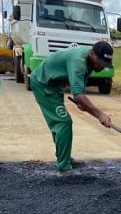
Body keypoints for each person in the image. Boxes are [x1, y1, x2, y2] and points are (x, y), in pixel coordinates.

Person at [29, 42, 114, 174]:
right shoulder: (78, 61)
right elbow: (79, 95)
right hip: (43, 83)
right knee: (63, 122)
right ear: (92, 53)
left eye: (104, 65)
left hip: (56, 84)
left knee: (61, 122)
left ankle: (65, 158)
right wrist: (100, 114)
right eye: (100, 63)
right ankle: (64, 167)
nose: (101, 67)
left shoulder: (91, 61)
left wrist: (83, 103)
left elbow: (80, 90)